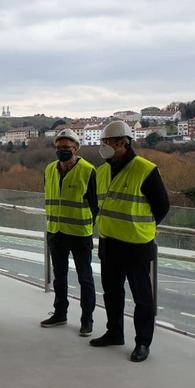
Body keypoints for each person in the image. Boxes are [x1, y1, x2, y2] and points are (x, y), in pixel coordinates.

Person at [90, 120, 169, 362]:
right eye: (104, 142)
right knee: (112, 293)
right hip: (109, 243)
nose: (105, 146)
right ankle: (114, 332)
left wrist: (144, 226)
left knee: (142, 298)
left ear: (124, 143)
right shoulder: (101, 170)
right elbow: (93, 200)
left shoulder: (144, 169)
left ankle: (143, 343)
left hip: (136, 245)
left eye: (110, 142)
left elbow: (162, 206)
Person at [40, 129, 98, 336]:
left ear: (76, 149)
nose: (62, 151)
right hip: (56, 232)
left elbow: (95, 205)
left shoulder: (88, 170)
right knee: (60, 277)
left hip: (79, 233)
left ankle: (87, 320)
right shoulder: (49, 170)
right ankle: (60, 313)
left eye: (66, 148)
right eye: (59, 148)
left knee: (85, 278)